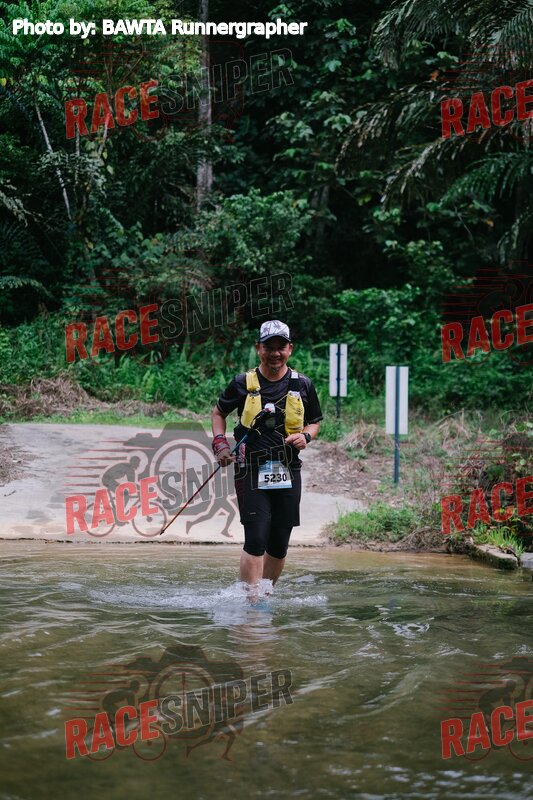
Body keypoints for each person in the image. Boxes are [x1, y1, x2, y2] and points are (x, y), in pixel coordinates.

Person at [211, 320, 323, 594]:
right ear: (258, 349)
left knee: (279, 543)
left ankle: (264, 596)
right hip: (250, 468)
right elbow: (218, 413)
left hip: (288, 469)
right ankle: (251, 602)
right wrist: (220, 444)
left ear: (290, 349)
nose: (275, 353)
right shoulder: (242, 383)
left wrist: (306, 437)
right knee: (256, 538)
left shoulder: (303, 384)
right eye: (269, 347)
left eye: (280, 347)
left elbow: (314, 422)